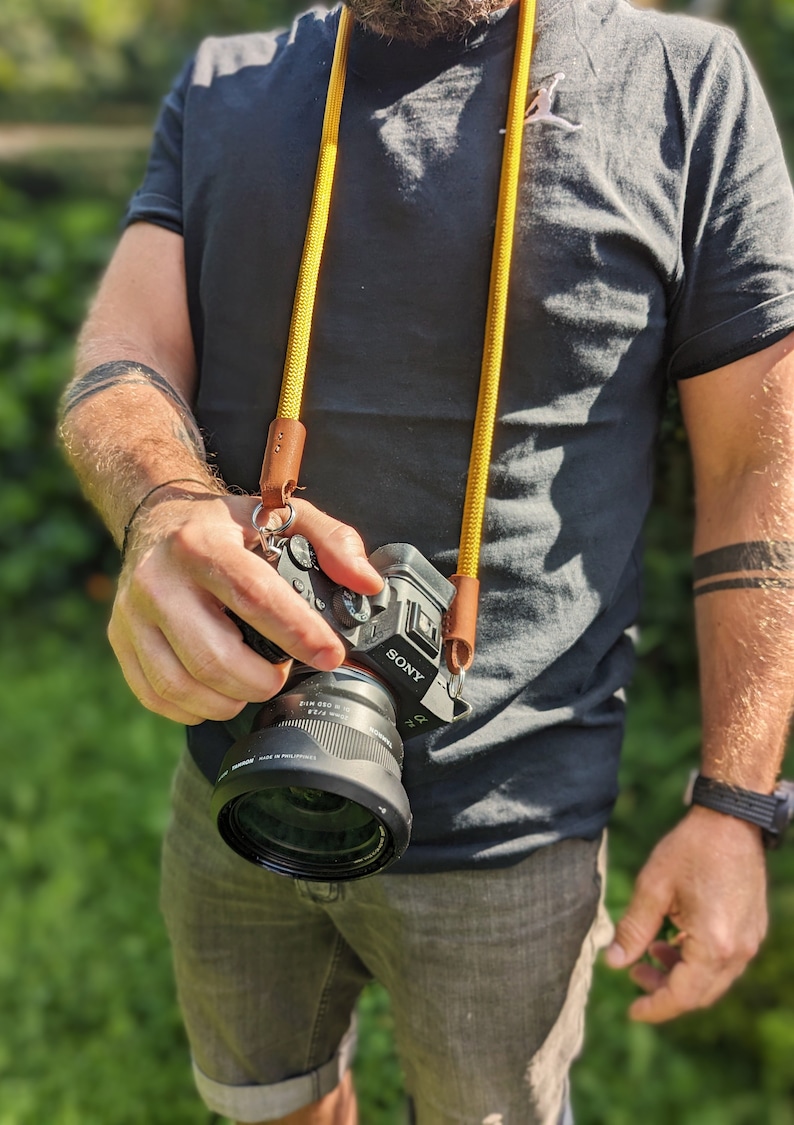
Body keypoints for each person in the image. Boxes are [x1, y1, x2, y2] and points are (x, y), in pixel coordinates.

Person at [59, 0, 794, 1118]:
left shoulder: (679, 84)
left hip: (518, 831)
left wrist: (734, 808)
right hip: (240, 784)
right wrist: (163, 505)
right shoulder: (225, 82)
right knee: (266, 1105)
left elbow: (759, 468)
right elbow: (122, 353)